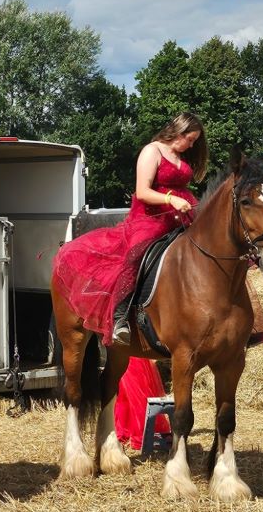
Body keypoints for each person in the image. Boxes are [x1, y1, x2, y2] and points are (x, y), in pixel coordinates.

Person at [53, 111, 207, 346]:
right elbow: (143, 191)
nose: (191, 145)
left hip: (182, 215)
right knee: (135, 256)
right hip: (151, 218)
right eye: (190, 139)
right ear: (180, 131)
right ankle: (120, 318)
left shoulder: (179, 155)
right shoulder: (152, 151)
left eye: (195, 141)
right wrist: (170, 199)